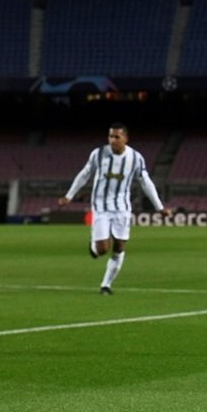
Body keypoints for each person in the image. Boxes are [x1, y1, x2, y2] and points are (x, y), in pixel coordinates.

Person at [58, 122, 172, 295]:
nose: (112, 140)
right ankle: (94, 248)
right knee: (103, 248)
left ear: (125, 138)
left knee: (119, 246)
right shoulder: (98, 154)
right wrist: (69, 195)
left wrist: (159, 207)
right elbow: (84, 174)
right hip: (101, 206)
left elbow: (146, 182)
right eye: (110, 136)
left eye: (117, 137)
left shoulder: (135, 158)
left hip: (122, 208)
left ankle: (106, 285)